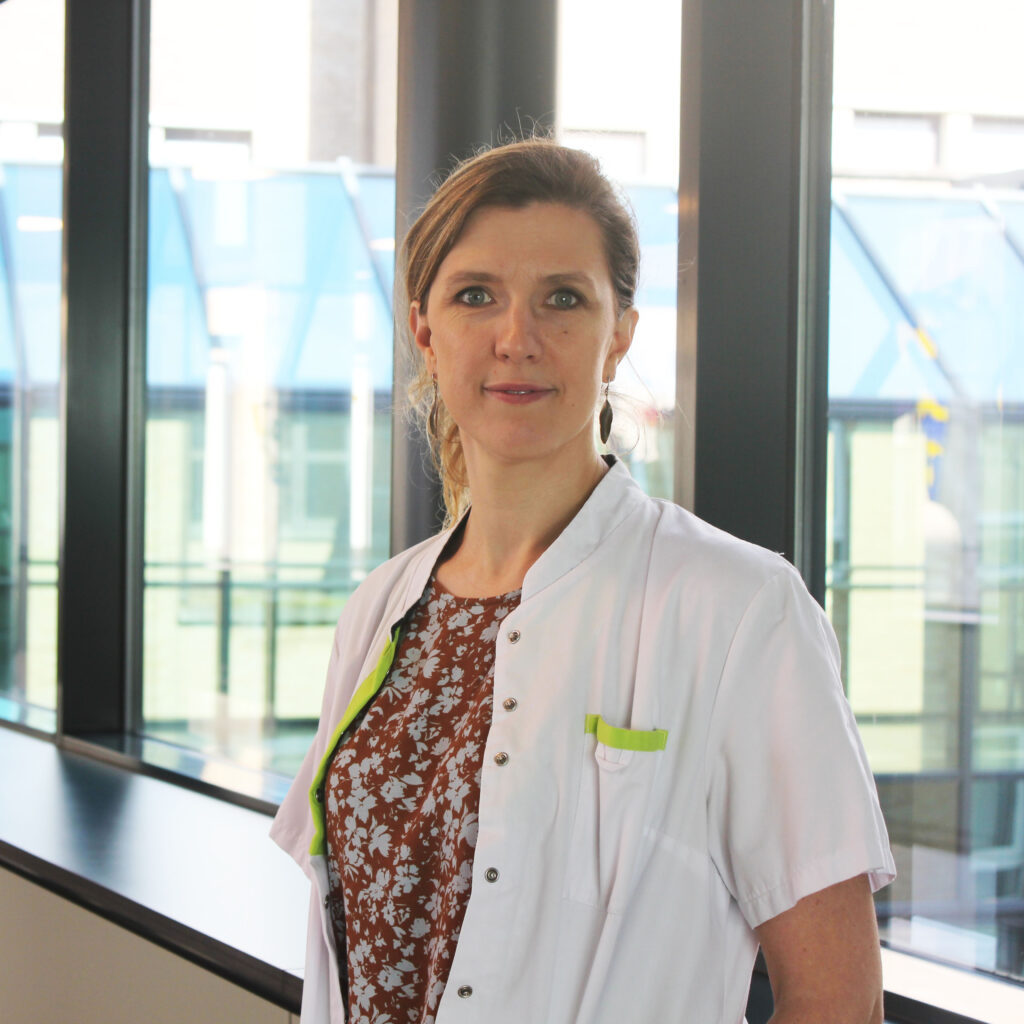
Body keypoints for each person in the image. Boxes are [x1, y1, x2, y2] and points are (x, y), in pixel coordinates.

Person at [271, 138, 896, 1024]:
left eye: (563, 298)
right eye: (475, 295)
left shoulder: (738, 610)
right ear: (425, 332)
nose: (516, 339)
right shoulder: (381, 608)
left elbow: (838, 999)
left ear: (619, 337)